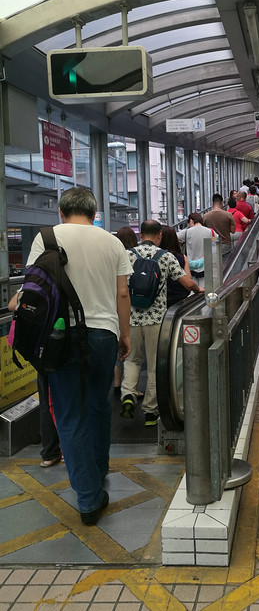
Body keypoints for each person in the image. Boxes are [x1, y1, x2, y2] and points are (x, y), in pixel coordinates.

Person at [24, 187, 132, 525]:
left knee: (70, 416)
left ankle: (88, 499)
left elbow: (32, 287)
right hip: (104, 335)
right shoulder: (112, 242)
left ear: (60, 211)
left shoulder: (46, 237)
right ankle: (97, 473)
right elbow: (123, 292)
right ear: (94, 211)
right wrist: (124, 334)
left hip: (60, 336)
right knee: (100, 407)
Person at [121, 219, 201, 427]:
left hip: (131, 318)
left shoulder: (127, 255)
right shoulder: (164, 256)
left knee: (132, 360)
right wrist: (198, 290)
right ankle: (150, 412)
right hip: (156, 319)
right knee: (155, 365)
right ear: (159, 236)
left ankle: (128, 394)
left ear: (141, 235)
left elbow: (119, 288)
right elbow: (186, 282)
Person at [8, 293, 61, 468]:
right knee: (69, 402)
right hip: (62, 346)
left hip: (40, 349)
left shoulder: (38, 280)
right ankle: (68, 451)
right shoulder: (65, 279)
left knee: (46, 401)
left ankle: (49, 453)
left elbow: (11, 305)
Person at [113, 227, 138, 397]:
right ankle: (129, 389)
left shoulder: (113, 255)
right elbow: (124, 292)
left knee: (115, 351)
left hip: (112, 309)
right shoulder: (138, 255)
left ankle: (116, 383)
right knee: (131, 354)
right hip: (134, 309)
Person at [161, 225, 203, 308]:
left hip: (160, 299)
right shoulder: (181, 257)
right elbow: (189, 279)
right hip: (179, 298)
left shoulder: (154, 256)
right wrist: (197, 289)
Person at [178, 213, 214, 286]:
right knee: (205, 288)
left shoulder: (186, 232)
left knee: (193, 289)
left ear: (191, 221)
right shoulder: (209, 231)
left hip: (190, 266)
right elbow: (217, 239)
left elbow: (174, 237)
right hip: (206, 265)